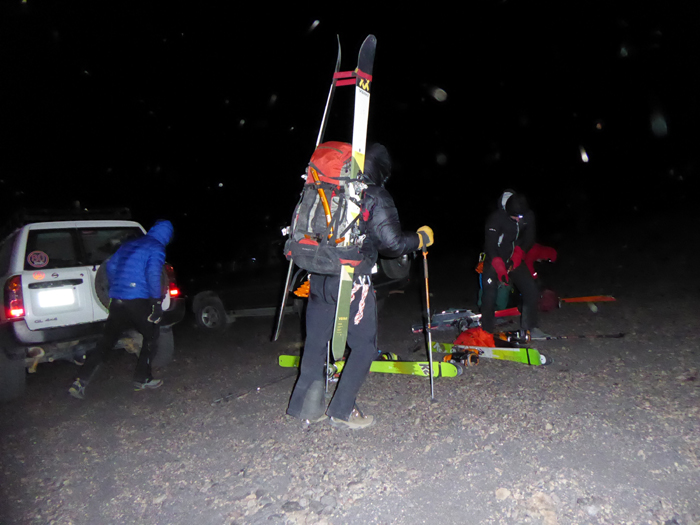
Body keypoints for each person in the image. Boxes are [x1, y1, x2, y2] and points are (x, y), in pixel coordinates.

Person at [286, 144, 433, 430]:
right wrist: (421, 238)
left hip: (318, 274)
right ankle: (342, 412)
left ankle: (306, 408)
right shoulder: (374, 194)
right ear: (381, 170)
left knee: (316, 343)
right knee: (364, 346)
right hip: (352, 280)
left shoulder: (327, 188)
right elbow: (392, 244)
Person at [69, 219, 174, 399]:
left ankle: (80, 382)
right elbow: (153, 274)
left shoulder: (129, 244)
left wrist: (117, 286)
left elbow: (110, 265)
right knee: (151, 336)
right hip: (138, 301)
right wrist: (156, 303)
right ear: (167, 235)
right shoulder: (156, 247)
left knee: (106, 342)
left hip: (117, 301)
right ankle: (142, 378)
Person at [480, 190, 543, 338]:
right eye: (514, 217)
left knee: (531, 289)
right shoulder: (496, 218)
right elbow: (490, 245)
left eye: (519, 217)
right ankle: (486, 331)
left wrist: (518, 254)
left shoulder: (528, 216)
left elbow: (529, 238)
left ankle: (530, 328)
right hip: (494, 258)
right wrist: (499, 265)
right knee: (490, 293)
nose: (517, 220)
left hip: (513, 258)